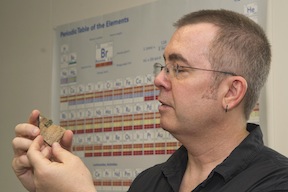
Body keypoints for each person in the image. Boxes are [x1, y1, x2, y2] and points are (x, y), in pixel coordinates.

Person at [12, 9, 288, 192]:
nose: (159, 79)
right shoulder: (148, 182)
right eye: (163, 66)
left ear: (231, 92)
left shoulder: (276, 182)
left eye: (179, 69)